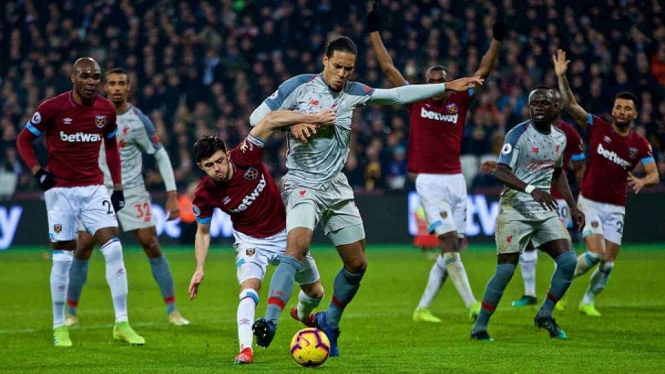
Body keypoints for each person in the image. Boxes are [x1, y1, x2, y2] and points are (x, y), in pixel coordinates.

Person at [249, 35, 483, 357]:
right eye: (338, 66)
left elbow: (399, 95)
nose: (343, 73)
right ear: (325, 60)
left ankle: (329, 322)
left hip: (337, 187)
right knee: (298, 247)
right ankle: (270, 320)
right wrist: (295, 122)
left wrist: (446, 87)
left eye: (349, 68)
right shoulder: (298, 87)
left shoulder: (354, 93)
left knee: (357, 264)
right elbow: (256, 119)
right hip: (302, 183)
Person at [366, 4, 505, 322]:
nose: (437, 85)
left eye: (441, 79)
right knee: (448, 243)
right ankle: (473, 305)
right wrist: (374, 32)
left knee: (453, 246)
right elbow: (389, 69)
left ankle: (422, 308)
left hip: (456, 180)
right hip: (428, 180)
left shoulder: (459, 100)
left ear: (448, 80)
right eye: (432, 80)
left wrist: (496, 41)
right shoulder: (417, 99)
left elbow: (483, 72)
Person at [187, 109, 336, 364]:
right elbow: (202, 232)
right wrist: (199, 268)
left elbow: (269, 120)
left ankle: (301, 313)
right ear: (201, 167)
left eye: (220, 161)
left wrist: (312, 118)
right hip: (250, 242)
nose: (217, 169)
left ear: (226, 153)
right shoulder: (204, 194)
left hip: (285, 235)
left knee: (316, 293)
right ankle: (246, 349)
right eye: (209, 166)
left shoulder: (246, 154)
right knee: (249, 289)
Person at [15, 57, 143, 346]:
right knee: (63, 257)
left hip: (95, 189)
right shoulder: (52, 108)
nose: (91, 82)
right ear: (73, 78)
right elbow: (23, 140)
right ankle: (60, 326)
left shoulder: (105, 110)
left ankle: (122, 323)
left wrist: (118, 187)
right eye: (85, 76)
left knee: (114, 249)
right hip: (61, 192)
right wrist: (39, 173)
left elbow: (111, 147)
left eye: (95, 77)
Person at [65, 68, 189, 327]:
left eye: (122, 83)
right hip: (96, 189)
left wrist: (172, 194)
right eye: (112, 83)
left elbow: (160, 153)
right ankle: (70, 312)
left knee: (150, 242)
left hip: (131, 190)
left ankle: (173, 310)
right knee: (84, 244)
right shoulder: (91, 114)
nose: (117, 88)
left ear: (128, 87)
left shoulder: (138, 120)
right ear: (105, 88)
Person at [470, 86, 585, 341]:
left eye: (545, 103)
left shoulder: (560, 138)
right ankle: (480, 327)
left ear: (556, 108)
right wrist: (531, 189)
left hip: (542, 209)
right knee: (505, 271)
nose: (539, 107)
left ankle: (545, 314)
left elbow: (557, 172)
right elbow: (500, 171)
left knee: (568, 262)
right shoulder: (518, 134)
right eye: (535, 103)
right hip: (514, 207)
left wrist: (574, 206)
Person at [553, 49, 659, 316]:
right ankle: (560, 284)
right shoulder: (598, 127)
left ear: (634, 114)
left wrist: (643, 181)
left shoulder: (639, 144)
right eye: (618, 107)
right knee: (595, 254)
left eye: (627, 109)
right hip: (589, 202)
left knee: (608, 264)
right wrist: (562, 78)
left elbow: (655, 174)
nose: (621, 111)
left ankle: (588, 300)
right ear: (613, 109)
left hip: (616, 208)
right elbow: (571, 105)